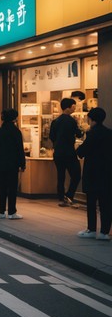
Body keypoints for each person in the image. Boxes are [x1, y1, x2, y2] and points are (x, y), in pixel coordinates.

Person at [75, 107, 112, 240]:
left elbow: (81, 152)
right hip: (107, 172)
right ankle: (104, 232)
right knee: (106, 203)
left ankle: (91, 229)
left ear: (91, 119)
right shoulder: (109, 133)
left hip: (93, 172)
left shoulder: (92, 134)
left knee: (91, 202)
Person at [0, 108, 26, 219]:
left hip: (1, 163)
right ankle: (12, 212)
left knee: (2, 188)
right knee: (12, 188)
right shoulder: (16, 131)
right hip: (13, 163)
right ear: (14, 118)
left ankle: (1, 212)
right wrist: (23, 163)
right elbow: (20, 149)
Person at [49, 98, 83, 207]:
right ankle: (69, 195)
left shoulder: (55, 121)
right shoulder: (72, 121)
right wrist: (83, 130)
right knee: (76, 174)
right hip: (69, 152)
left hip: (58, 152)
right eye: (74, 106)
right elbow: (79, 134)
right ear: (68, 108)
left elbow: (51, 136)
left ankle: (61, 198)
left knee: (61, 175)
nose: (75, 108)